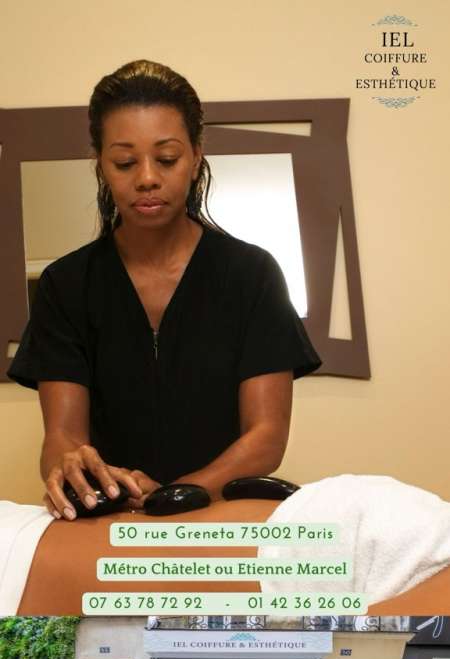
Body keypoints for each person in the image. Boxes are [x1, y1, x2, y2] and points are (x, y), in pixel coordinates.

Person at [8, 59, 321, 521]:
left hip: (217, 516)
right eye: (125, 162)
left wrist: (176, 495)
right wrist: (69, 466)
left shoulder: (251, 274)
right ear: (100, 165)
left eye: (167, 158)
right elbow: (62, 436)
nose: (147, 177)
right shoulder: (66, 284)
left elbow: (265, 437)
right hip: (111, 520)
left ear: (195, 157)